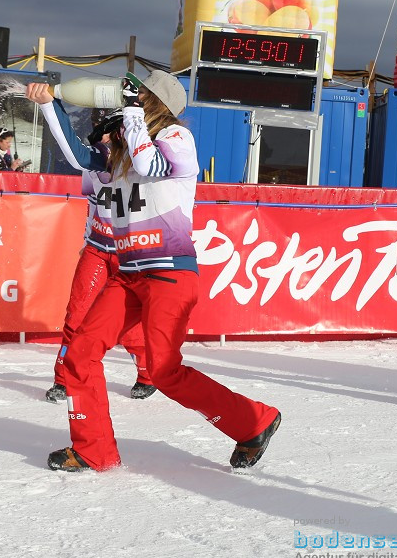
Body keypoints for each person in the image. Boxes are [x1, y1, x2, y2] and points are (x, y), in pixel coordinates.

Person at [25, 71, 281, 472]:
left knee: (163, 370)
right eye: (132, 92)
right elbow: (79, 160)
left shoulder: (178, 138)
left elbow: (151, 165)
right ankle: (94, 450)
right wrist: (46, 104)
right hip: (129, 275)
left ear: (155, 102)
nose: (131, 96)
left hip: (169, 273)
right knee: (81, 353)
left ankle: (254, 421)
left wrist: (131, 116)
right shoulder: (126, 145)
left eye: (140, 93)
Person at [45, 109, 156, 404]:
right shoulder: (94, 158)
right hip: (97, 248)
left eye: (108, 129)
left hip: (128, 254)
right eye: (98, 127)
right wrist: (86, 239)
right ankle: (64, 378)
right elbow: (93, 202)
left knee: (123, 323)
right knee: (76, 315)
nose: (102, 135)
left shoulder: (143, 159)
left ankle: (147, 373)